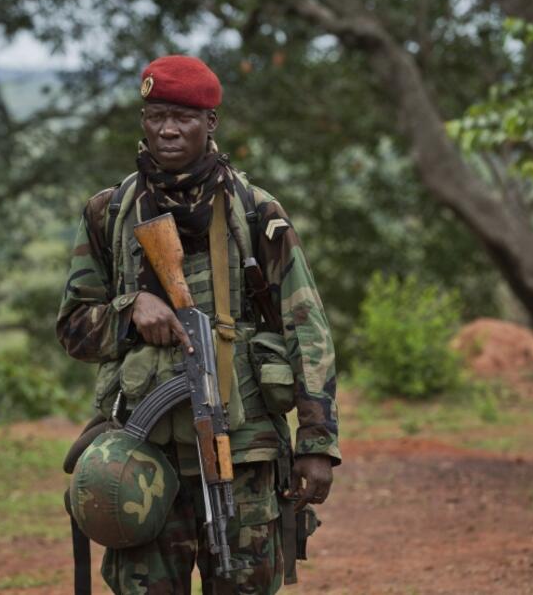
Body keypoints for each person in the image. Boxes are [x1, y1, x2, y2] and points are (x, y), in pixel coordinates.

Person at [57, 55, 340, 594]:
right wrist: (130, 310)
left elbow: (308, 329)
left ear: (210, 123)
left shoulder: (254, 212)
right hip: (143, 460)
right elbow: (73, 328)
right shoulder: (108, 212)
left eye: (183, 117)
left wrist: (318, 443)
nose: (167, 128)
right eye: (156, 114)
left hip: (245, 450)